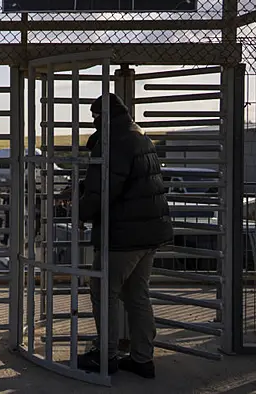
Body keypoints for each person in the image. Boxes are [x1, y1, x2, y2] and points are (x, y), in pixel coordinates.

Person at [75, 94, 173, 379]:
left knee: (103, 291)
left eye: (95, 118)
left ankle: (106, 356)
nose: (94, 123)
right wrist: (83, 188)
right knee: (137, 295)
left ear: (103, 117)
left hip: (125, 234)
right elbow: (127, 179)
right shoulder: (139, 135)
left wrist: (81, 211)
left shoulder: (113, 142)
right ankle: (143, 359)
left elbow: (104, 188)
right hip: (149, 232)